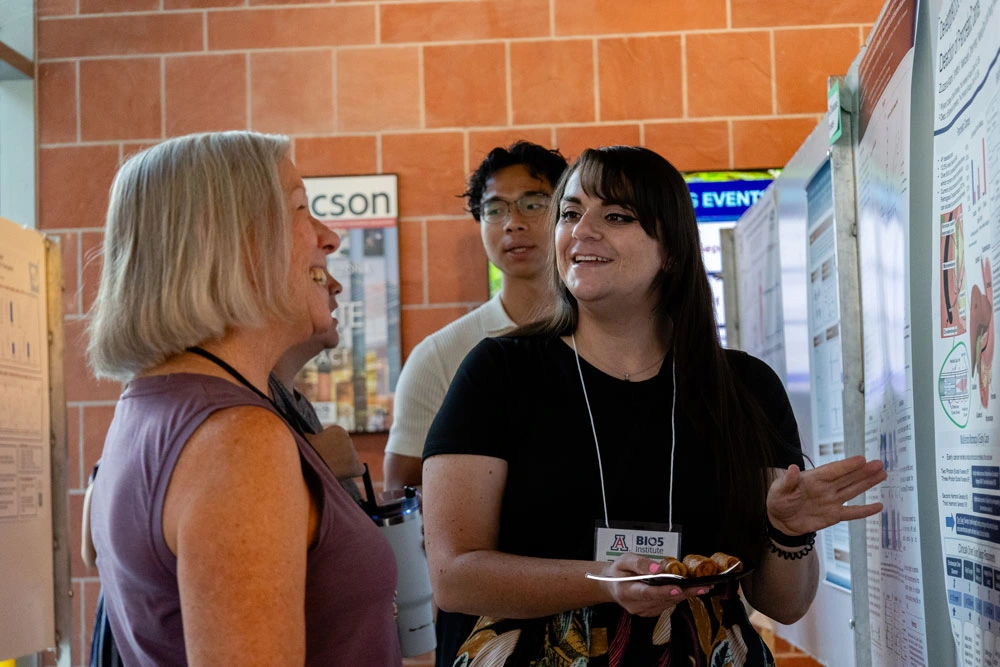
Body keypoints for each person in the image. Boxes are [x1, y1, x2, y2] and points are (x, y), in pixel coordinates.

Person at [422, 146, 887, 666]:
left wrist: (788, 531)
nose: (582, 231)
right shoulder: (499, 370)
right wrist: (606, 582)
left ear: (671, 249)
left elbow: (785, 603)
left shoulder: (744, 386)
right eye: (570, 214)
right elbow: (453, 576)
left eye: (616, 216)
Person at [86, 131, 401, 666]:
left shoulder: (155, 404)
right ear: (234, 240)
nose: (329, 238)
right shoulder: (237, 439)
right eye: (302, 209)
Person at [383, 141, 567, 489]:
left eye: (533, 204)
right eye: (495, 210)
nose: (513, 223)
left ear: (567, 213)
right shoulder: (438, 356)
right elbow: (401, 491)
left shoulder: (606, 333)